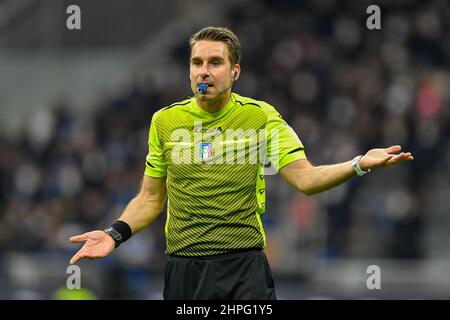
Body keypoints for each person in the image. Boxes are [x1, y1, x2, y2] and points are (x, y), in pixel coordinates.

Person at [69, 26, 413, 299]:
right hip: (183, 270)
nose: (204, 71)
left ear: (234, 71)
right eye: (197, 62)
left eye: (215, 63)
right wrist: (115, 233)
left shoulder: (260, 117)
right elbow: (150, 198)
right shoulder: (165, 121)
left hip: (243, 268)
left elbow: (305, 179)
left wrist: (359, 164)